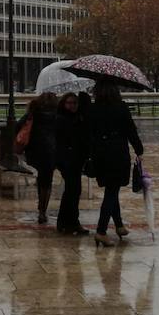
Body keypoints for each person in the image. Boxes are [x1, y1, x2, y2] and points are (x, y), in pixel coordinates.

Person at [88, 80, 143, 246]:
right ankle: (101, 230)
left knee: (112, 190)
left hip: (100, 154)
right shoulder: (121, 108)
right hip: (117, 153)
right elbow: (131, 131)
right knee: (112, 192)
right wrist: (139, 150)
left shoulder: (93, 109)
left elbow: (89, 132)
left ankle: (119, 225)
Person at [17, 92, 58, 224]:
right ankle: (43, 210)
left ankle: (41, 209)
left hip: (35, 152)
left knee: (41, 179)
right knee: (48, 181)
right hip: (52, 152)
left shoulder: (33, 114)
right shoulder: (57, 115)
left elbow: (18, 126)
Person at [54, 92, 89, 235]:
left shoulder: (78, 117)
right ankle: (71, 222)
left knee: (73, 191)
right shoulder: (61, 119)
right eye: (69, 103)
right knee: (72, 191)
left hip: (76, 159)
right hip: (67, 160)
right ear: (64, 103)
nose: (72, 105)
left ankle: (66, 222)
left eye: (75, 103)